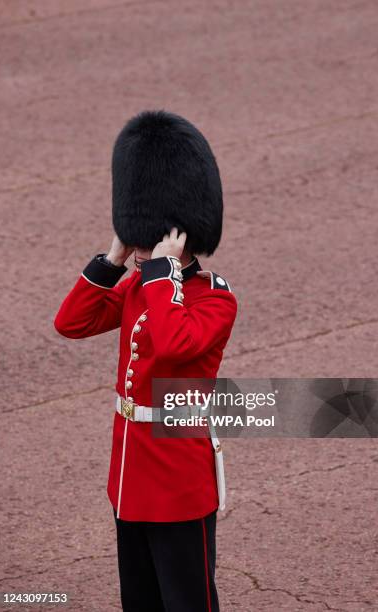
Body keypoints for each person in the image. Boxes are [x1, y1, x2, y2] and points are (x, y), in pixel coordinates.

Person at [54, 110, 237, 611]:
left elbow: (176, 344)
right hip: (131, 470)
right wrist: (114, 257)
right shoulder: (140, 285)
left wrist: (161, 273)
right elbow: (70, 323)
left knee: (187, 601)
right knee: (139, 599)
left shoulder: (213, 299)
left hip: (178, 473)